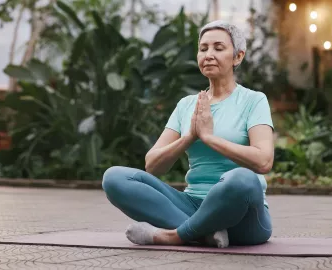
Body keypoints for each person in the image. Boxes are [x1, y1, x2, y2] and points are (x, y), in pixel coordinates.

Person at [102, 20, 274, 248]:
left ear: (238, 57)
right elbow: (153, 165)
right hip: (192, 204)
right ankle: (204, 233)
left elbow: (263, 161)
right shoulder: (187, 105)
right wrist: (189, 137)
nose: (209, 55)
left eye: (218, 48)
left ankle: (172, 235)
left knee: (242, 178)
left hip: (244, 217)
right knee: (114, 177)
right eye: (203, 49)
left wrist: (210, 138)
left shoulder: (254, 100)